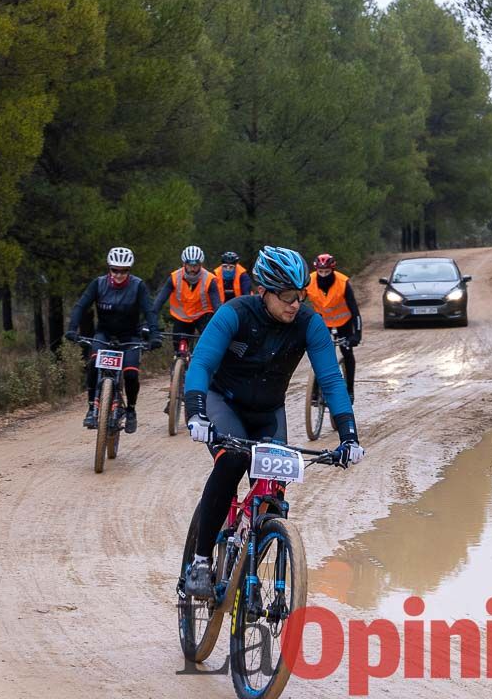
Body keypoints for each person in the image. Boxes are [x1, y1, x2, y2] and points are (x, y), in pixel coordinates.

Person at [180, 246, 364, 597]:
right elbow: (201, 363)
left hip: (268, 412)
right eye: (287, 296)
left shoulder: (308, 323)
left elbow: (331, 379)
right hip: (224, 404)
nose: (295, 304)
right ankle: (201, 560)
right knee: (232, 461)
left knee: (275, 486)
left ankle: (255, 552)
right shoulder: (235, 313)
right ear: (263, 291)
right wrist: (196, 412)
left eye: (300, 295)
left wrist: (349, 436)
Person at [65, 246, 161, 434]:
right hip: (105, 334)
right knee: (93, 365)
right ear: (109, 268)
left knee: (131, 374)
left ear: (129, 270)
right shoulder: (98, 284)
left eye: (124, 271)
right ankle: (92, 407)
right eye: (115, 270)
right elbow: (80, 305)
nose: (119, 275)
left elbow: (149, 311)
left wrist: (155, 334)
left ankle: (131, 410)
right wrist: (71, 329)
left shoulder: (138, 285)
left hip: (130, 336)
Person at [306, 253, 362, 403]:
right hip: (323, 322)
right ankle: (315, 390)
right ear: (316, 270)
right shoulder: (309, 281)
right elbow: (298, 302)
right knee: (321, 353)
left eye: (327, 272)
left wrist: (356, 335)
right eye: (320, 272)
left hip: (344, 322)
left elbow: (355, 311)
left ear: (332, 270)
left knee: (347, 352)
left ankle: (350, 389)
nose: (323, 275)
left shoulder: (343, 282)